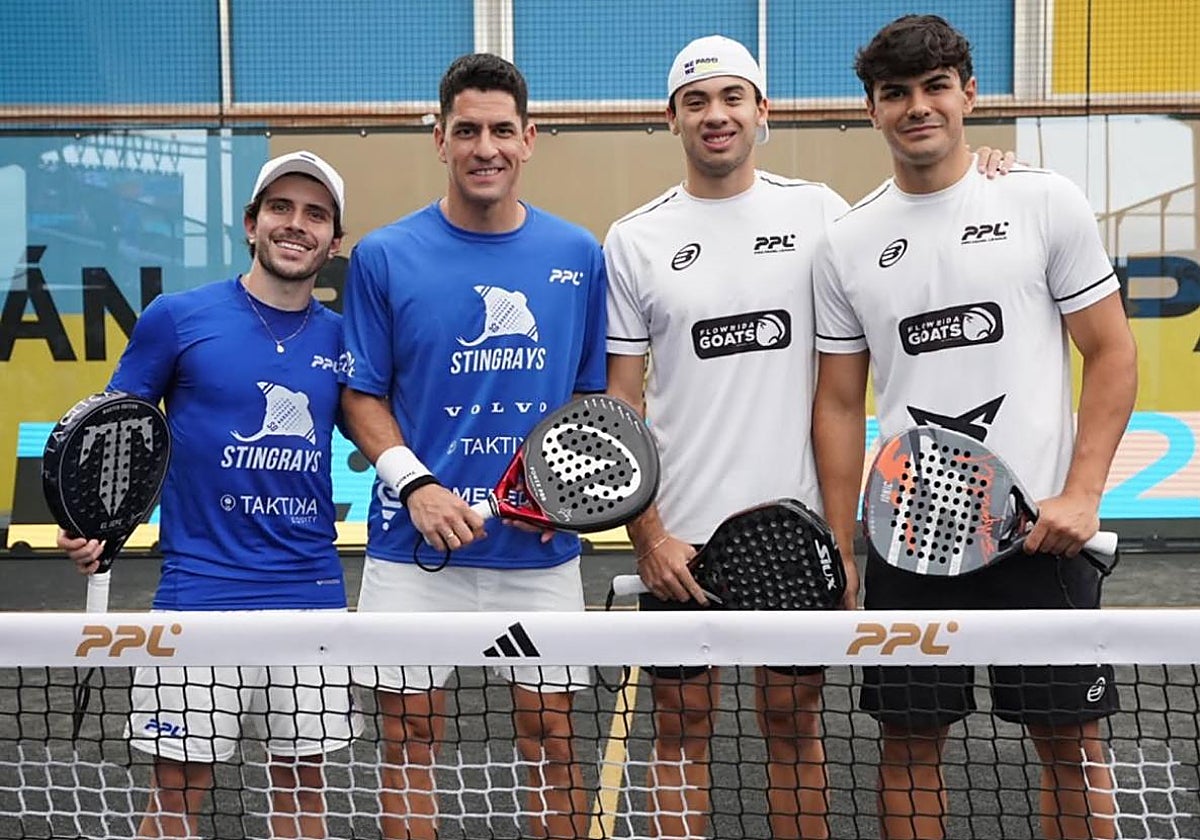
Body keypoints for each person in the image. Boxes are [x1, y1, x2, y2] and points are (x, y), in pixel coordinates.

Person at [604, 34, 1016, 840]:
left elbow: (924, 210)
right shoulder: (633, 239)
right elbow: (623, 406)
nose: (715, 117)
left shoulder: (823, 213)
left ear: (764, 112)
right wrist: (648, 537)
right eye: (696, 102)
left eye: (732, 99)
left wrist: (991, 173)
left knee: (793, 726)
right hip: (680, 540)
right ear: (672, 119)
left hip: (795, 537)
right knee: (681, 728)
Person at [811, 15, 1137, 840]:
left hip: (1042, 542)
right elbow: (841, 404)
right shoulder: (846, 242)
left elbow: (1111, 352)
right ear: (873, 109)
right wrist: (847, 543)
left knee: (1070, 745)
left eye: (934, 87)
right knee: (909, 749)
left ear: (969, 94)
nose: (917, 107)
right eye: (896, 93)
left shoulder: (1041, 199)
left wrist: (1083, 493)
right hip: (910, 538)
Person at [338, 53, 606, 840]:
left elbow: (589, 401)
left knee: (552, 741)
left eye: (500, 130)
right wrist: (415, 486)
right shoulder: (386, 256)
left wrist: (559, 492)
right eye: (466, 131)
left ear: (528, 139)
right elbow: (361, 394)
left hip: (538, 557)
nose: (484, 147)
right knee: (409, 743)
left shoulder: (578, 254)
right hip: (414, 557)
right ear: (439, 139)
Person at [59, 150, 359, 838]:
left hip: (310, 595)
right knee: (175, 795)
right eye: (280, 208)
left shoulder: (345, 341)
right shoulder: (178, 317)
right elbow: (117, 431)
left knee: (303, 787)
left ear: (334, 242)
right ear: (250, 223)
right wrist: (93, 525)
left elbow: (383, 434)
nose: (296, 224)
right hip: (197, 594)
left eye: (315, 214)